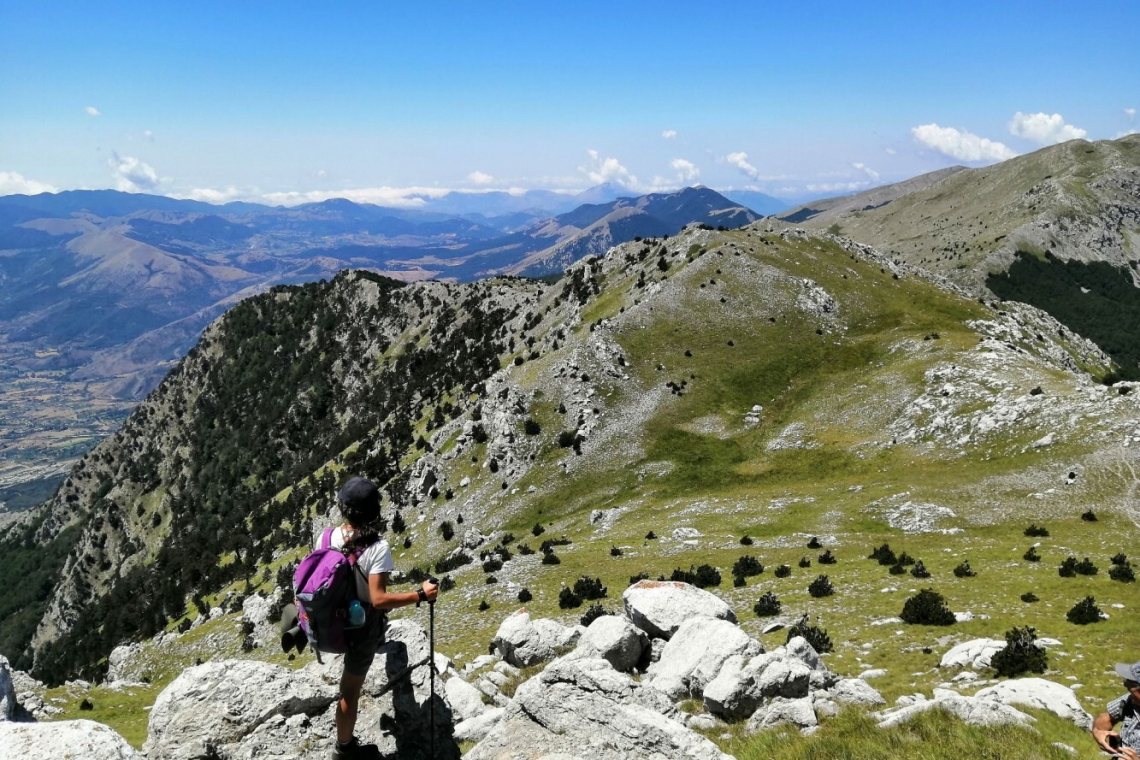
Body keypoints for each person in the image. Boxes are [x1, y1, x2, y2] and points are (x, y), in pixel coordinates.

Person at [327, 476, 438, 759]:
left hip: (334, 622)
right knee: (349, 692)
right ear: (375, 512)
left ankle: (344, 744)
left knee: (348, 688)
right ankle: (344, 750)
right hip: (361, 629)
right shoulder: (377, 548)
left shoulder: (327, 537)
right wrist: (420, 594)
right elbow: (378, 599)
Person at [1092, 660, 1140, 759]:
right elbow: (1107, 717)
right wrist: (1098, 732)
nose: (1125, 684)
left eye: (1130, 683)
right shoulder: (1130, 699)